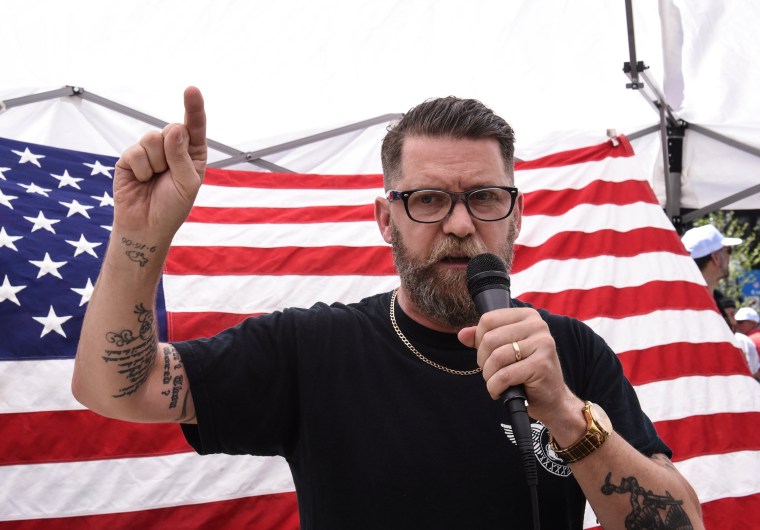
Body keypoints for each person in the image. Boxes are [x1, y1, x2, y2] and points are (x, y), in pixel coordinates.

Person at [72, 87, 704, 529]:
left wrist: (566, 413)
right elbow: (116, 388)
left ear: (515, 216)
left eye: (484, 197)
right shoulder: (312, 349)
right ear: (386, 219)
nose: (460, 224)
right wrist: (140, 233)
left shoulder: (571, 352)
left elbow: (680, 525)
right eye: (428, 199)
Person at [680, 224, 742, 329]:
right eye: (728, 251)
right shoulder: (696, 307)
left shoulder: (687, 299)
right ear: (716, 258)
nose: (729, 256)